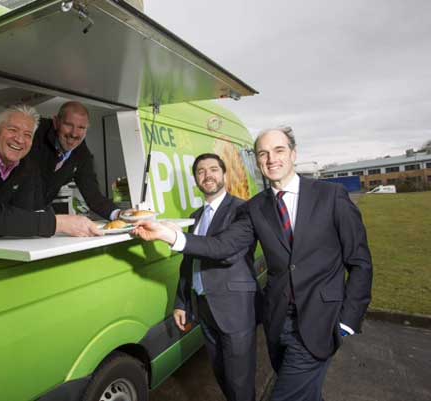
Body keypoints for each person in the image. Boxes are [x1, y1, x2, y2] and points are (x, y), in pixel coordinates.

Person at [134, 127, 373, 401]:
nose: (271, 159)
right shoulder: (255, 207)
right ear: (257, 161)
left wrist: (348, 321)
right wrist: (169, 235)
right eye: (263, 153)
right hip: (279, 322)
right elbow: (223, 246)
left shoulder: (331, 195)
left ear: (294, 154)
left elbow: (360, 261)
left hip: (322, 320)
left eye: (279, 150)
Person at [0, 103, 101, 240]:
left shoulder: (25, 162)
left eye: (27, 135)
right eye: (12, 130)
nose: (20, 140)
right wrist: (59, 223)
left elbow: (26, 212)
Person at [173, 153, 259, 401]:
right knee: (221, 374)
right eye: (201, 171)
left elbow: (226, 251)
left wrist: (173, 237)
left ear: (224, 174)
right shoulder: (196, 216)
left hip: (235, 310)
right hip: (205, 308)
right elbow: (188, 261)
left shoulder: (243, 210)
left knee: (240, 381)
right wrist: (181, 302)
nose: (207, 175)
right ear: (196, 179)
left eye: (213, 169)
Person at [31, 101, 125, 220]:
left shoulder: (81, 153)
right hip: (9, 212)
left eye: (81, 127)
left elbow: (93, 196)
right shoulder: (35, 133)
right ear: (55, 122)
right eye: (68, 125)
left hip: (38, 216)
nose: (74, 133)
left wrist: (120, 215)